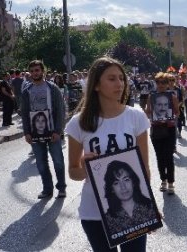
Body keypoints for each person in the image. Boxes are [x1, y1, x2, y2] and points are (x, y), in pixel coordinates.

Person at [65, 56, 151, 251]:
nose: (119, 83)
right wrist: (85, 168)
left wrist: (148, 208)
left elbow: (144, 168)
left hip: (132, 211)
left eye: (121, 78)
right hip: (94, 212)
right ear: (96, 85)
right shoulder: (78, 123)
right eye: (112, 79)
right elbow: (73, 172)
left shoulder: (136, 117)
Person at [21, 60, 66, 199]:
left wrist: (58, 131)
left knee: (58, 161)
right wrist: (27, 132)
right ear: (30, 73)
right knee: (41, 163)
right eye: (32, 71)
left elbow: (61, 110)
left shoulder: (53, 88)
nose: (35, 73)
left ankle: (61, 188)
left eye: (37, 70)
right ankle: (47, 189)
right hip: (35, 133)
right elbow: (24, 112)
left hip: (52, 131)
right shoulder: (26, 91)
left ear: (43, 71)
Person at [146, 72, 179, 195]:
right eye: (158, 82)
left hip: (169, 129)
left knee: (168, 156)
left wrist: (170, 117)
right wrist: (150, 115)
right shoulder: (151, 96)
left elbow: (177, 113)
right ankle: (163, 180)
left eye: (163, 82)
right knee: (159, 157)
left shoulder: (172, 96)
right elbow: (148, 112)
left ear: (168, 83)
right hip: (156, 129)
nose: (160, 85)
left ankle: (171, 183)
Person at [104, 161, 157, 235]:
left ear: (133, 182)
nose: (123, 187)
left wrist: (156, 217)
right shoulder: (109, 218)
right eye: (116, 183)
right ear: (112, 189)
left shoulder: (149, 206)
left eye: (126, 180)